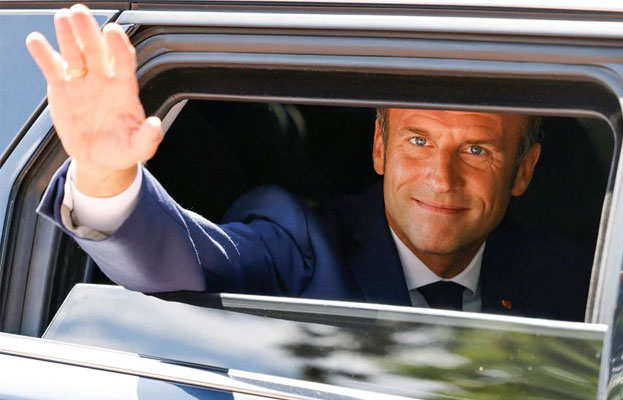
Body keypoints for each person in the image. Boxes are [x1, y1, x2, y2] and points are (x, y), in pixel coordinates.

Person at [27, 4, 590, 320]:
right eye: (418, 141)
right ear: (379, 147)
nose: (441, 178)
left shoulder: (564, 278)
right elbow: (188, 266)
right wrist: (107, 179)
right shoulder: (301, 242)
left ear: (523, 170)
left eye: (476, 150)